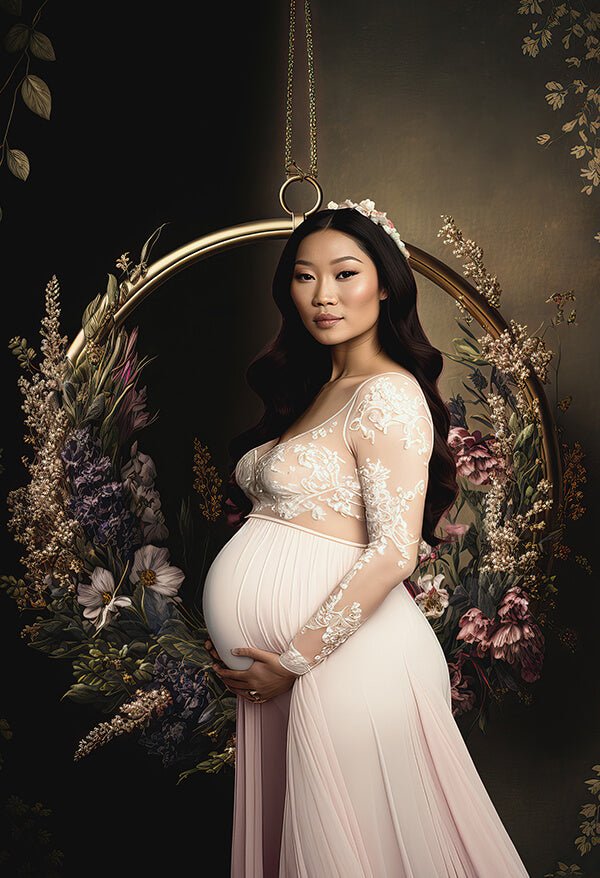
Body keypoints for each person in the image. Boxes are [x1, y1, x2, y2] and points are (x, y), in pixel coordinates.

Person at [202, 198, 530, 877]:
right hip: (290, 672)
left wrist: (291, 661)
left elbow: (393, 552)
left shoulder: (386, 392)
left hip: (335, 665)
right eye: (303, 276)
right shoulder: (325, 388)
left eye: (345, 273)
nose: (323, 295)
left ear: (385, 282)